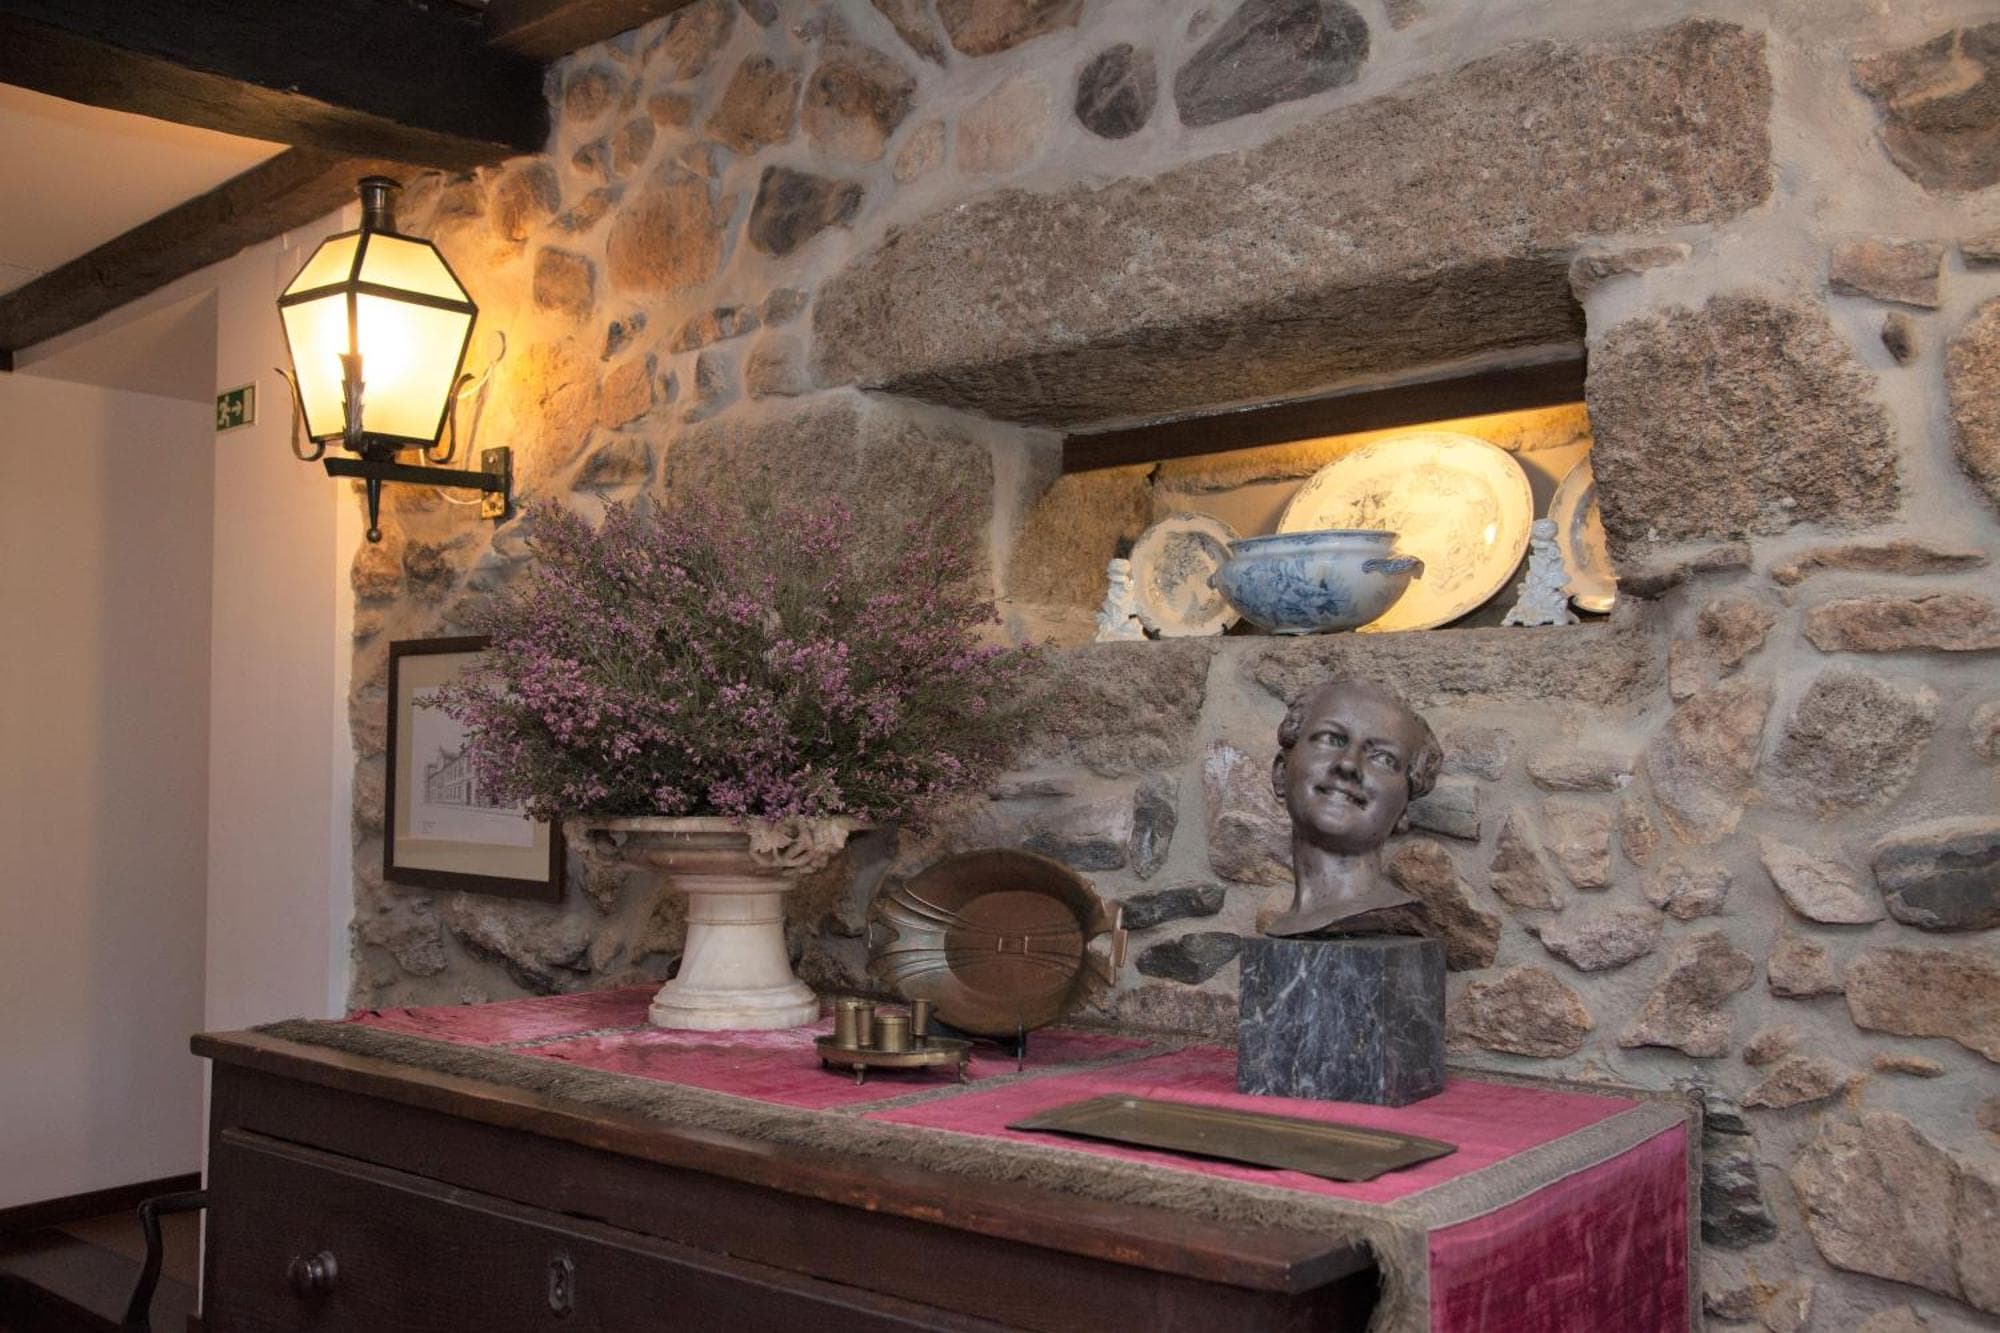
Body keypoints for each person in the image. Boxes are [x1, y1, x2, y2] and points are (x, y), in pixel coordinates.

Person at [1265, 678, 1443, 938]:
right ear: (1281, 772)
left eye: (1383, 758)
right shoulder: (1284, 926)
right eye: (1331, 739)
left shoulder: (1389, 917)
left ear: (1404, 809)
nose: (1348, 764)